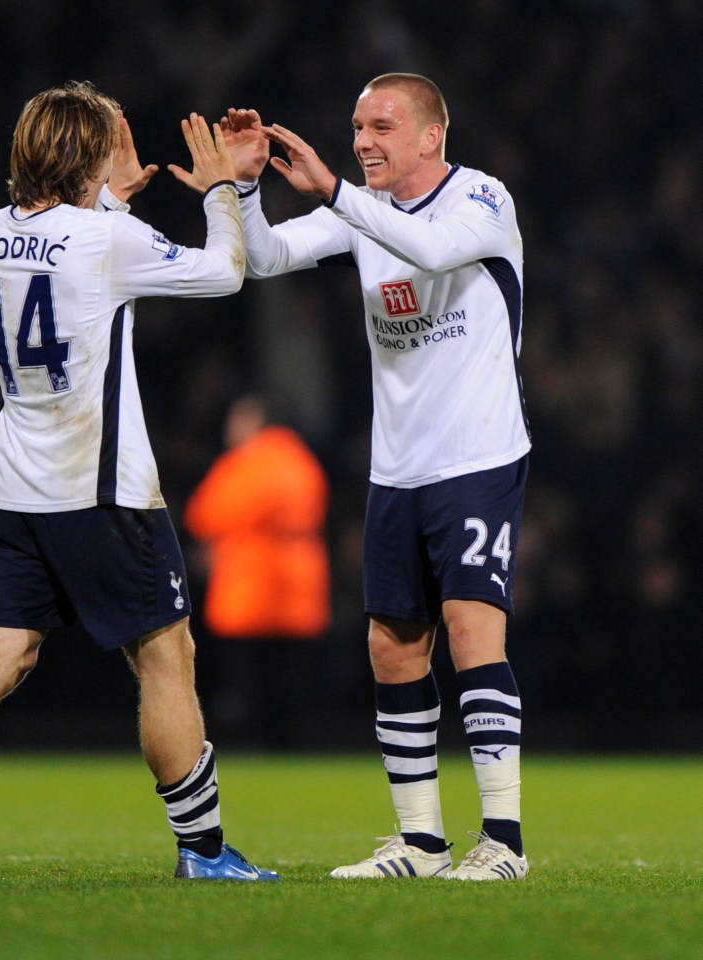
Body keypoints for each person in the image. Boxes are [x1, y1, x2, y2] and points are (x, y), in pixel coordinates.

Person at [0, 81, 278, 883]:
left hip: (21, 487)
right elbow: (224, 273)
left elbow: (68, 254)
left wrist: (111, 203)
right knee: (167, 656)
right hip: (106, 491)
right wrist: (221, 194)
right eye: (114, 141)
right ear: (86, 155)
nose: (125, 153)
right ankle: (204, 851)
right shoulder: (105, 241)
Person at [221, 73, 531, 881]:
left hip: (478, 454)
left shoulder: (484, 201)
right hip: (397, 468)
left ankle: (503, 842)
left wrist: (333, 192)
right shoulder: (363, 212)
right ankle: (423, 843)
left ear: (432, 136)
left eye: (382, 126)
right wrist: (247, 189)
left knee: (470, 628)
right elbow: (262, 259)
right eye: (358, 126)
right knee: (393, 649)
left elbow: (428, 250)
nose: (363, 141)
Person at [183, 394, 331, 744]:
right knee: (291, 674)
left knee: (251, 676)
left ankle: (255, 742)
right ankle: (293, 743)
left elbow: (205, 514)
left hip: (254, 582)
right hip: (301, 580)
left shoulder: (247, 462)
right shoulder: (301, 459)